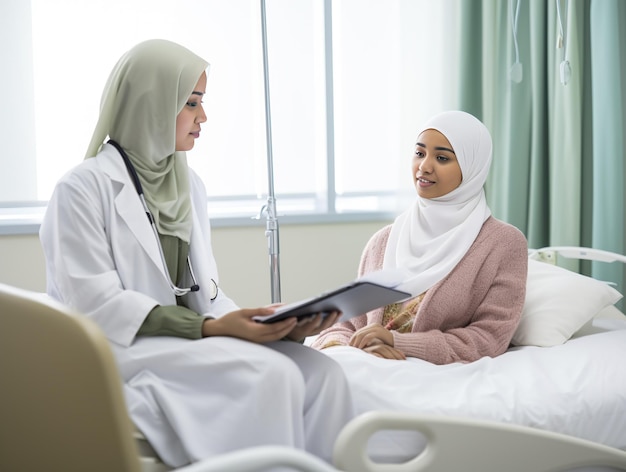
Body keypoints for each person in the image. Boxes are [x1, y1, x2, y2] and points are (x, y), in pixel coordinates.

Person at [39, 39, 354, 467]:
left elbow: (202, 292)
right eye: (191, 103)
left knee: (323, 373)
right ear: (152, 104)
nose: (203, 116)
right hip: (121, 345)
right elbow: (96, 306)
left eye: (201, 102)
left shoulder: (188, 184)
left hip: (184, 336)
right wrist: (211, 328)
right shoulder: (80, 189)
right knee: (272, 374)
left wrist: (271, 324)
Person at [312, 110, 528, 365]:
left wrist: (397, 343)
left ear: (472, 168)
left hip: (433, 377)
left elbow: (488, 339)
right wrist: (352, 348)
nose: (424, 166)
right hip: (368, 367)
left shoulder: (504, 244)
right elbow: (345, 324)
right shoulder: (382, 242)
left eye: (442, 158)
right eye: (419, 153)